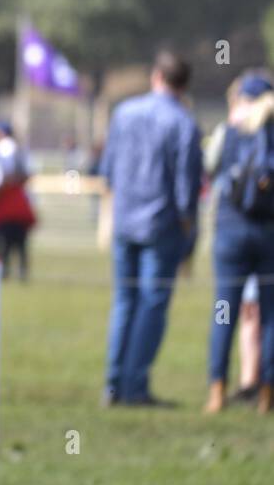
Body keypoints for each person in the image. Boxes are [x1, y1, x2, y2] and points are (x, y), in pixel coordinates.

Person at [99, 49, 202, 407]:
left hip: (125, 221)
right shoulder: (184, 123)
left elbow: (108, 170)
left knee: (125, 301)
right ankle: (134, 386)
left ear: (156, 76)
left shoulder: (124, 113)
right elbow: (187, 192)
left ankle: (113, 384)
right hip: (162, 226)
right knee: (152, 304)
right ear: (184, 84)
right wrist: (189, 233)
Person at [203, 73, 274, 414]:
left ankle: (217, 392)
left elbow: (210, 169)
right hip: (268, 234)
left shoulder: (228, 133)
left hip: (230, 234)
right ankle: (266, 396)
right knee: (271, 316)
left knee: (223, 313)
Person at [0, 121, 37, 281]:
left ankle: (5, 274)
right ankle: (21, 274)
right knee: (20, 244)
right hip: (19, 203)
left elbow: (7, 175)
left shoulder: (5, 148)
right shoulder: (20, 149)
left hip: (7, 203)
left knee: (4, 242)